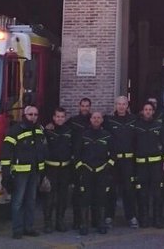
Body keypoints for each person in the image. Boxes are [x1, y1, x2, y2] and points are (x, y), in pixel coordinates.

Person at [2, 105, 46, 239]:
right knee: (18, 202)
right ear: (24, 115)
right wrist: (6, 173)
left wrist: (42, 171)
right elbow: (6, 152)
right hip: (20, 173)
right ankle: (17, 230)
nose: (33, 117)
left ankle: (29, 227)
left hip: (34, 172)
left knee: (31, 201)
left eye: (35, 114)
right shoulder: (14, 131)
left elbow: (43, 150)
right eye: (30, 114)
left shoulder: (39, 130)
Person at [75, 111, 114, 235]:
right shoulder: (83, 135)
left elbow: (114, 153)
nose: (96, 120)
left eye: (98, 118)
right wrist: (81, 166)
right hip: (86, 171)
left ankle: (100, 223)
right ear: (90, 120)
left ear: (102, 120)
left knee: (101, 197)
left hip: (102, 171)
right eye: (94, 118)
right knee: (85, 198)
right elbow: (76, 154)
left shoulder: (107, 135)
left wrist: (108, 166)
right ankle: (84, 224)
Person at [132, 100, 164, 229]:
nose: (148, 111)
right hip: (141, 166)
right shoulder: (136, 126)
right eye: (146, 109)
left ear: (153, 112)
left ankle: (157, 219)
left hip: (156, 166)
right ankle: (144, 218)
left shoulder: (159, 126)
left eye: (150, 109)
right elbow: (133, 145)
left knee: (158, 193)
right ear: (142, 111)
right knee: (142, 194)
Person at [105, 96, 139, 228]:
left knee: (129, 190)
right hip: (114, 161)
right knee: (111, 190)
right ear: (115, 105)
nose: (121, 106)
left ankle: (131, 217)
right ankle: (109, 217)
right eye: (119, 104)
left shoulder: (134, 119)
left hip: (128, 161)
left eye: (123, 104)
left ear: (127, 105)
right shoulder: (108, 121)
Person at [41, 107, 74, 233]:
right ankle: (47, 223)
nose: (60, 119)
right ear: (54, 118)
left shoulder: (69, 131)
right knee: (49, 197)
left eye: (62, 116)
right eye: (57, 116)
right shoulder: (47, 131)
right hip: (51, 169)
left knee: (63, 197)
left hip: (65, 168)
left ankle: (60, 221)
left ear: (65, 118)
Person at [67, 98, 92, 229]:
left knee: (90, 192)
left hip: (91, 161)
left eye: (87, 106)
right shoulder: (73, 121)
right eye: (83, 106)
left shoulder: (94, 120)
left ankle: (90, 221)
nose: (85, 108)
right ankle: (77, 221)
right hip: (77, 160)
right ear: (79, 106)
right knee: (77, 192)